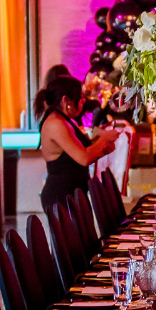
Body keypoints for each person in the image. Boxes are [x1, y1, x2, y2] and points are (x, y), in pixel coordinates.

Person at [36, 74, 119, 214]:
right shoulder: (56, 124)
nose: (83, 101)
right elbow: (83, 157)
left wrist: (103, 150)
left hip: (74, 194)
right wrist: (103, 139)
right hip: (61, 196)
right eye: (79, 97)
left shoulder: (66, 120)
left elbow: (78, 155)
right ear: (65, 100)